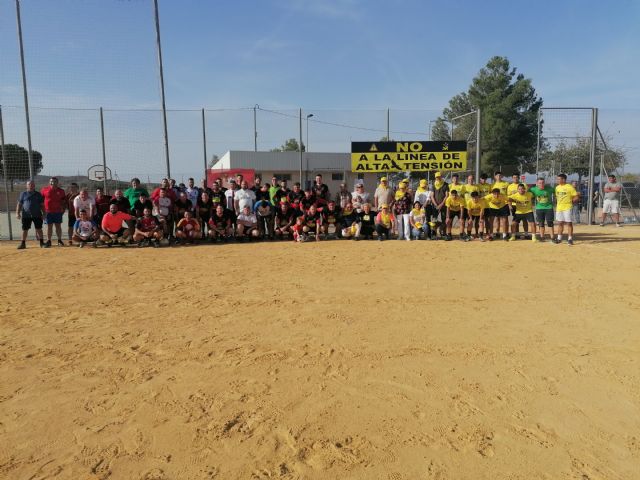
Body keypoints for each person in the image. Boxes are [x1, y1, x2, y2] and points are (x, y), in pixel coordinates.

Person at [16, 180, 45, 249]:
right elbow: (19, 204)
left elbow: (42, 205)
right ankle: (23, 244)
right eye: (29, 184)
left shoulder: (38, 194)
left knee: (39, 229)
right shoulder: (23, 194)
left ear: (34, 186)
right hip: (26, 216)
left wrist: (44, 213)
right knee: (24, 230)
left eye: (32, 185)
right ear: (26, 186)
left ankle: (42, 243)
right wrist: (17, 213)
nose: (31, 186)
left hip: (37, 215)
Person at [40, 177, 67, 247]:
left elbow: (64, 202)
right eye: (51, 181)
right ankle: (48, 241)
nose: (53, 183)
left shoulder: (61, 191)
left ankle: (59, 240)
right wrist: (43, 212)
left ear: (57, 183)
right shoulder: (44, 190)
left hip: (58, 212)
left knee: (58, 226)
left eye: (55, 181)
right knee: (49, 227)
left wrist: (63, 210)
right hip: (48, 212)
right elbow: (41, 202)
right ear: (49, 182)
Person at [553, 173, 579, 245]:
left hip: (567, 208)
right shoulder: (557, 187)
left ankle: (570, 239)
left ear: (563, 179)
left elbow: (576, 196)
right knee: (560, 223)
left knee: (569, 223)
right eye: (557, 179)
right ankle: (559, 238)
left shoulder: (570, 187)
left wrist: (571, 201)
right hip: (559, 208)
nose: (557, 180)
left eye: (559, 179)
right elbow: (557, 196)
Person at [529, 177, 555, 242]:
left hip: (549, 208)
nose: (541, 184)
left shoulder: (549, 189)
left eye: (543, 183)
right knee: (541, 223)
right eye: (540, 183)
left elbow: (557, 191)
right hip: (539, 208)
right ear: (537, 183)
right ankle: (542, 237)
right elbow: (525, 191)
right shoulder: (533, 189)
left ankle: (552, 237)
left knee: (550, 223)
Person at [430, 172, 448, 238]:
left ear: (441, 176)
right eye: (437, 177)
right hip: (435, 206)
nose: (438, 178)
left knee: (444, 220)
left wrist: (441, 204)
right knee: (434, 220)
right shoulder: (433, 185)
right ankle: (434, 234)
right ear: (435, 177)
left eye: (439, 176)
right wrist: (436, 205)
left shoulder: (445, 184)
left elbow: (446, 195)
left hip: (443, 205)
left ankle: (443, 233)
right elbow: (432, 196)